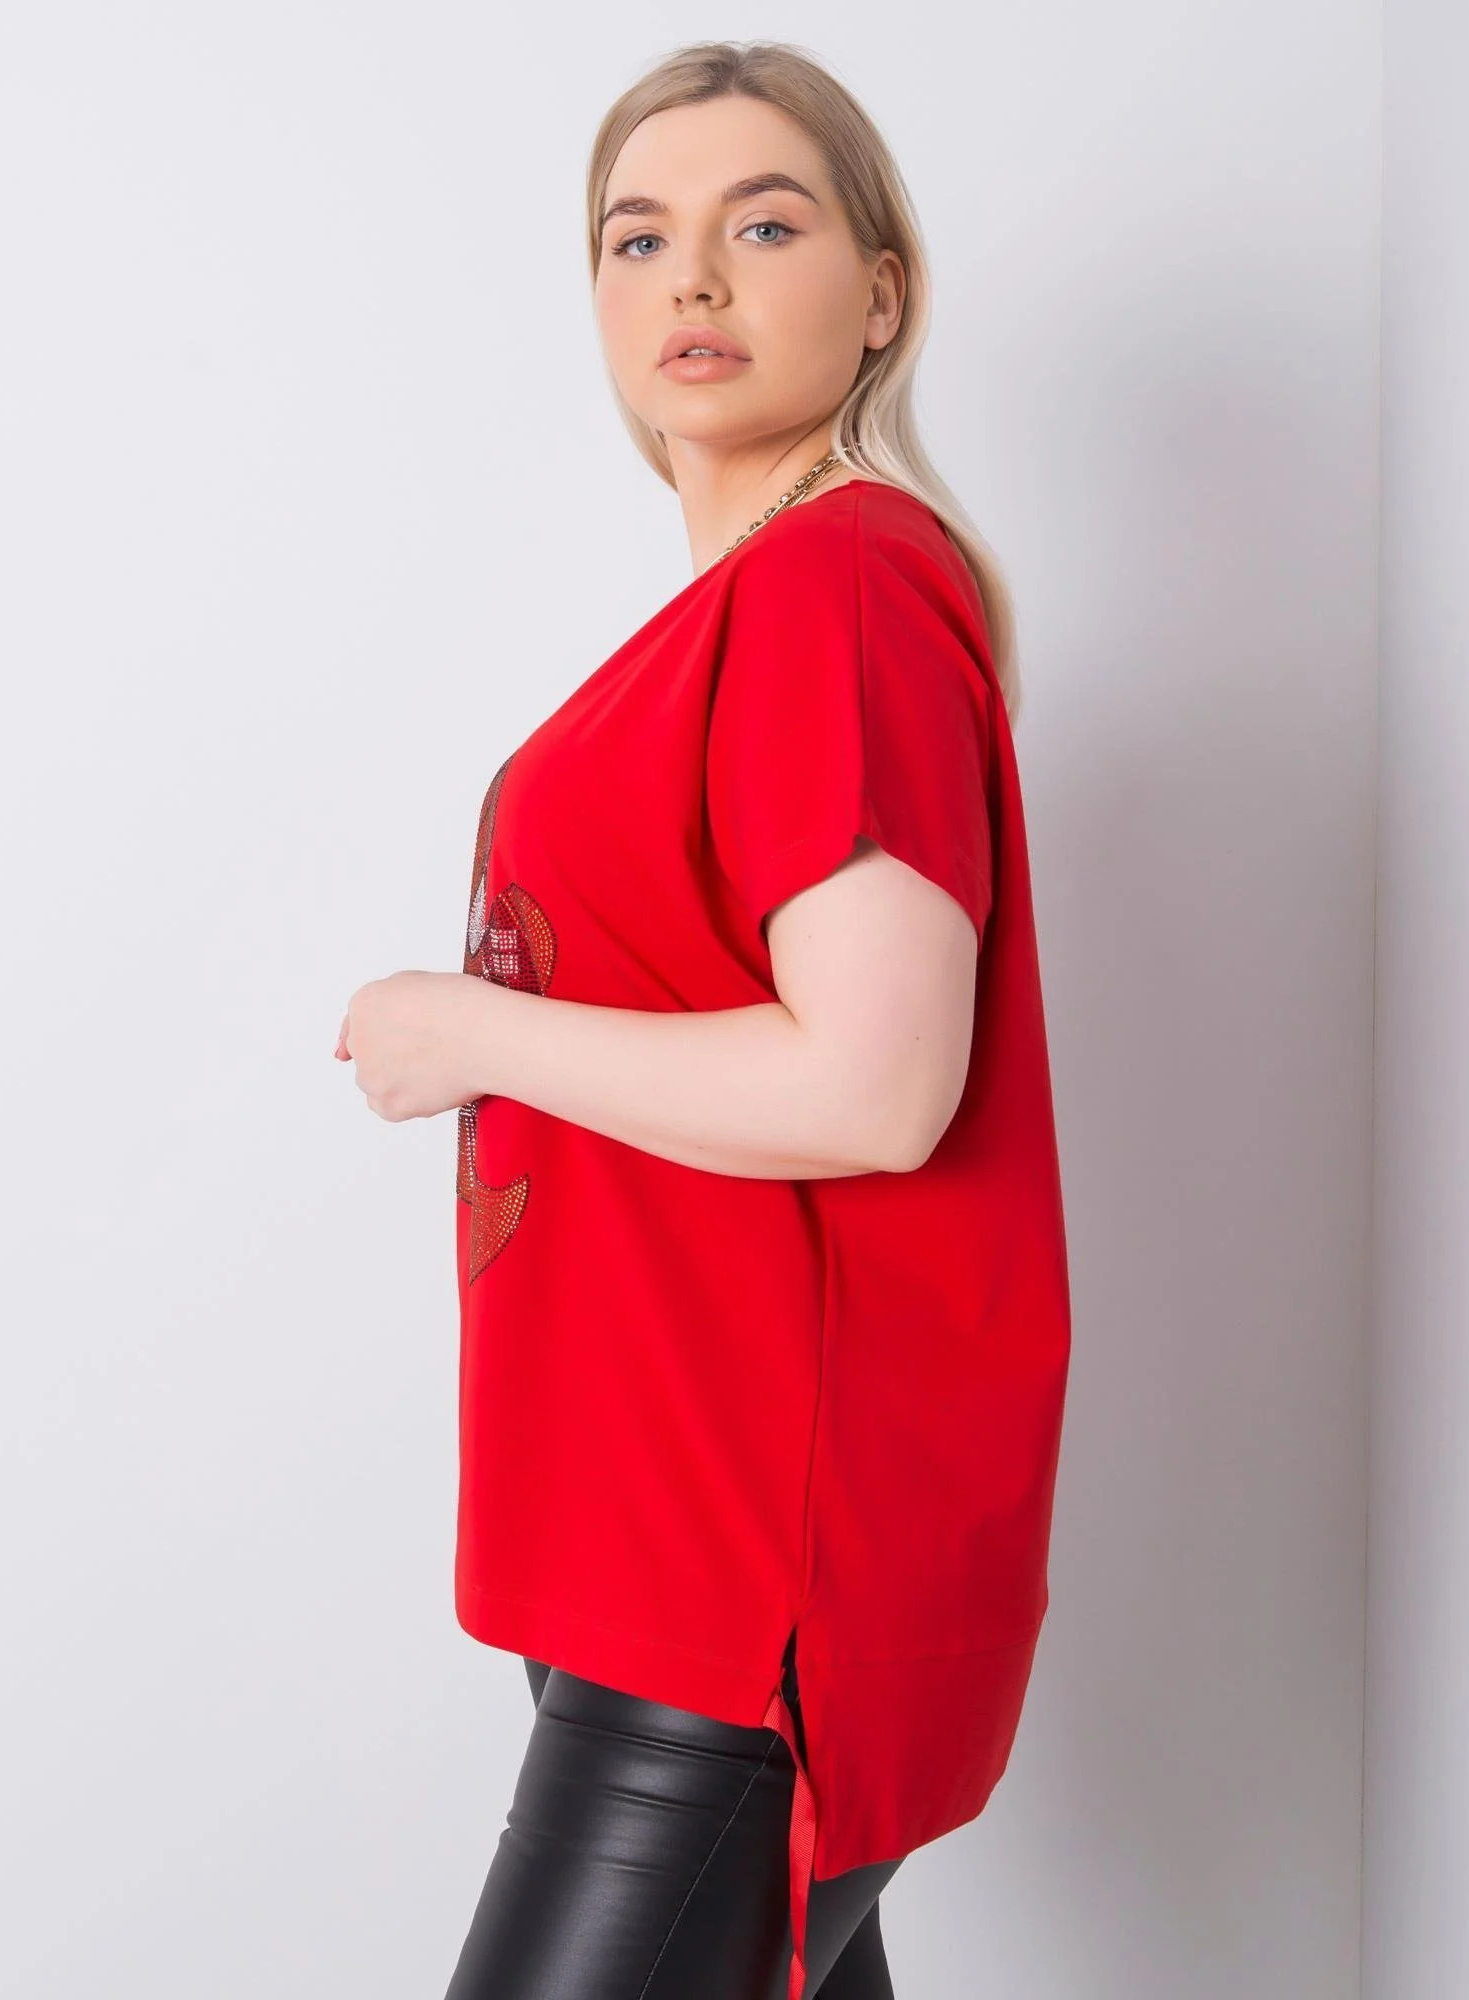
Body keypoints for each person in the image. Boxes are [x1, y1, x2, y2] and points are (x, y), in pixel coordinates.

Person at [336, 38, 1071, 2000]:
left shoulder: (842, 585)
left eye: (766, 224)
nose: (695, 278)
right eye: (638, 238)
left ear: (883, 291)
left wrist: (468, 1031)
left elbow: (878, 1082)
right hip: (665, 1553)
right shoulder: (737, 614)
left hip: (743, 1596)